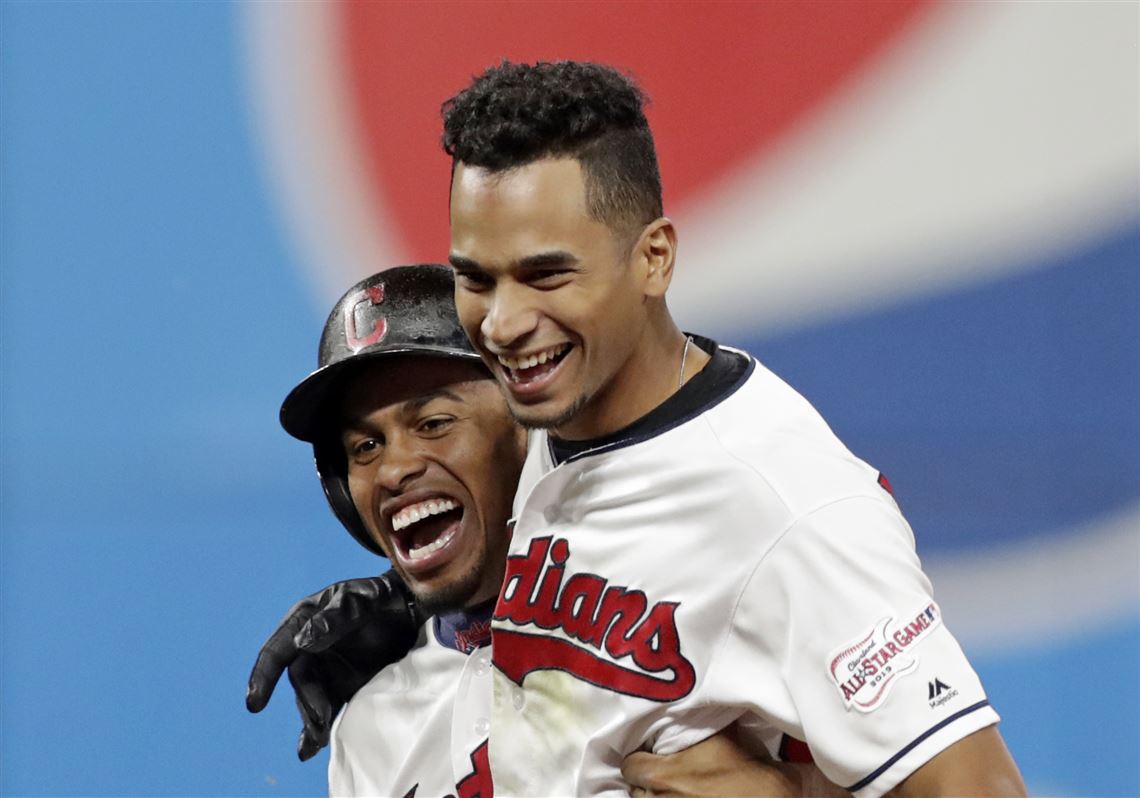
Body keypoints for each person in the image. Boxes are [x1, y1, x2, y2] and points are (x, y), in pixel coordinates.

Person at [438, 60, 1025, 797]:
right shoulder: (546, 416)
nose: (502, 323)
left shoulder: (789, 508)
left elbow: (981, 789)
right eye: (476, 279)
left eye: (547, 276)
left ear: (653, 259)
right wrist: (415, 632)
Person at [249, 263, 838, 797]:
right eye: (365, 446)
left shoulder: (682, 589)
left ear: (526, 430)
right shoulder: (371, 730)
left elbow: (917, 756)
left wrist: (803, 796)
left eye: (433, 422)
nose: (395, 467)